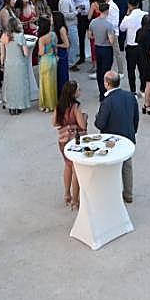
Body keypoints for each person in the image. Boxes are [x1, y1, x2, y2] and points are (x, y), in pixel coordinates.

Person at [95, 70, 139, 203]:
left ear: (107, 83)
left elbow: (100, 124)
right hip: (128, 137)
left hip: (111, 141)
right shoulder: (130, 96)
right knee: (127, 166)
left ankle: (113, 195)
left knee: (112, 168)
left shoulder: (107, 101)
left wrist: (97, 117)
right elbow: (136, 118)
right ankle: (128, 194)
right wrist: (132, 132)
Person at [54, 80, 87, 210]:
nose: (80, 92)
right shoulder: (76, 107)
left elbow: (54, 123)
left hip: (62, 140)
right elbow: (82, 125)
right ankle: (75, 200)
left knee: (67, 166)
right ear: (73, 93)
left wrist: (65, 126)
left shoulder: (59, 106)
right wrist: (82, 118)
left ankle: (67, 194)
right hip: (74, 141)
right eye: (78, 90)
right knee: (76, 170)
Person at [0, 15, 31, 115]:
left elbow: (2, 54)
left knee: (10, 86)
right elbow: (26, 53)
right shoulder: (20, 36)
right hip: (19, 64)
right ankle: (18, 106)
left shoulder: (4, 36)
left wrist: (2, 64)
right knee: (19, 85)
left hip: (8, 64)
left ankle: (11, 107)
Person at [89, 1, 116, 100]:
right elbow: (111, 41)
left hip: (97, 47)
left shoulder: (93, 22)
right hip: (106, 49)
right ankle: (106, 91)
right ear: (107, 11)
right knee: (106, 71)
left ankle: (101, 92)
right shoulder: (108, 25)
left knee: (99, 71)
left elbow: (90, 36)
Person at [120, 0, 146, 93]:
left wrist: (126, 15)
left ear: (129, 5)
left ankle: (133, 90)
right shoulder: (145, 14)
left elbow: (122, 28)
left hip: (131, 46)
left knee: (131, 70)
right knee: (143, 69)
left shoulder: (128, 18)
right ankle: (143, 88)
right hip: (142, 46)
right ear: (138, 4)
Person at [137, 14, 150, 115]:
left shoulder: (139, 32)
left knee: (149, 82)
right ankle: (146, 104)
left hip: (141, 60)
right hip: (149, 62)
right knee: (149, 83)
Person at [37, 16, 58, 112]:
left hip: (45, 60)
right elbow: (55, 47)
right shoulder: (53, 35)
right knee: (52, 83)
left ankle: (46, 105)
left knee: (44, 83)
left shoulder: (42, 39)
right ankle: (53, 104)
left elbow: (41, 52)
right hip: (53, 59)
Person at [73, 0, 91, 67]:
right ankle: (82, 56)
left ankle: (93, 56)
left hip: (89, 15)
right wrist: (78, 8)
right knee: (81, 37)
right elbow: (73, 4)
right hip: (80, 17)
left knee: (92, 36)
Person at [55, 12, 71, 93]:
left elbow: (66, 44)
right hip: (59, 52)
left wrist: (56, 45)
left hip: (62, 53)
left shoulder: (62, 29)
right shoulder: (57, 28)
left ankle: (63, 93)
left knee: (62, 75)